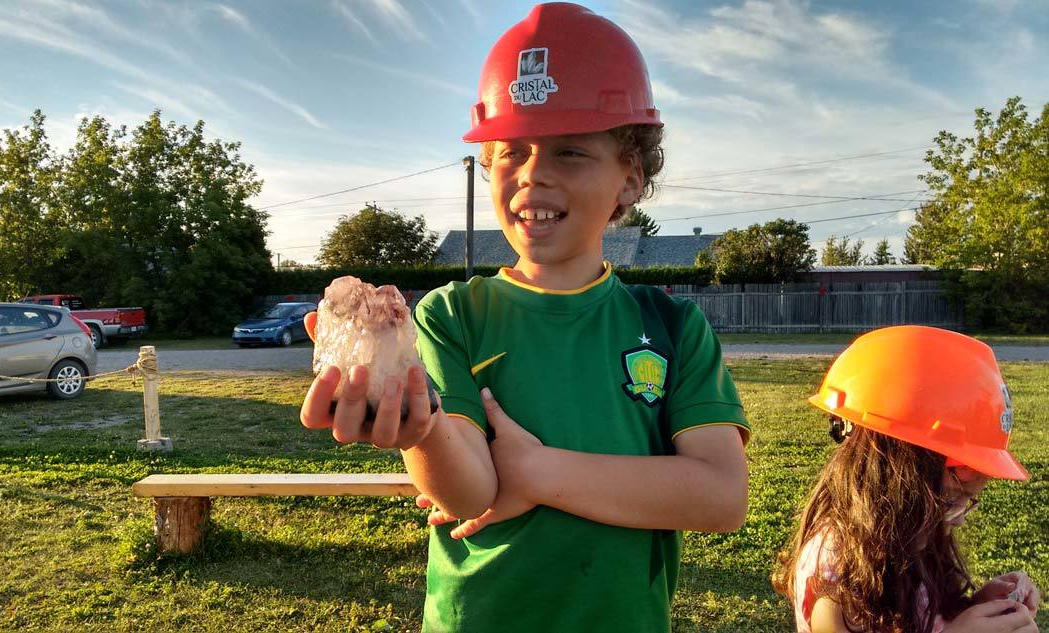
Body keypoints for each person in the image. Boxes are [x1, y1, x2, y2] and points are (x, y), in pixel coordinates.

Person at [301, 3, 750, 630]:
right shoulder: (451, 314)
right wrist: (422, 431)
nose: (533, 175)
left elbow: (721, 497)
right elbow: (471, 495)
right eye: (511, 152)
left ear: (631, 178)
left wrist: (539, 472)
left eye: (570, 153)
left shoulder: (673, 326)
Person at [773, 326, 1041, 633]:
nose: (958, 520)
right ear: (896, 475)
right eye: (951, 499)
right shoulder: (839, 577)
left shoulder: (904, 537)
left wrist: (976, 609)